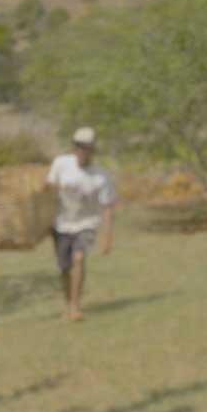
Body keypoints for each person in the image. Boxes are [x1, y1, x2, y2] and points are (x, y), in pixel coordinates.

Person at [46, 126, 116, 321]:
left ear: (92, 149)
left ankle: (76, 306)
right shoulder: (61, 163)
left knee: (78, 258)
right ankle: (68, 303)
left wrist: (107, 237)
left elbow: (107, 206)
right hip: (61, 223)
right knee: (64, 267)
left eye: (86, 147)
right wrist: (62, 186)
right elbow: (47, 185)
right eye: (78, 146)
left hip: (86, 223)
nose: (81, 150)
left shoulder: (101, 175)